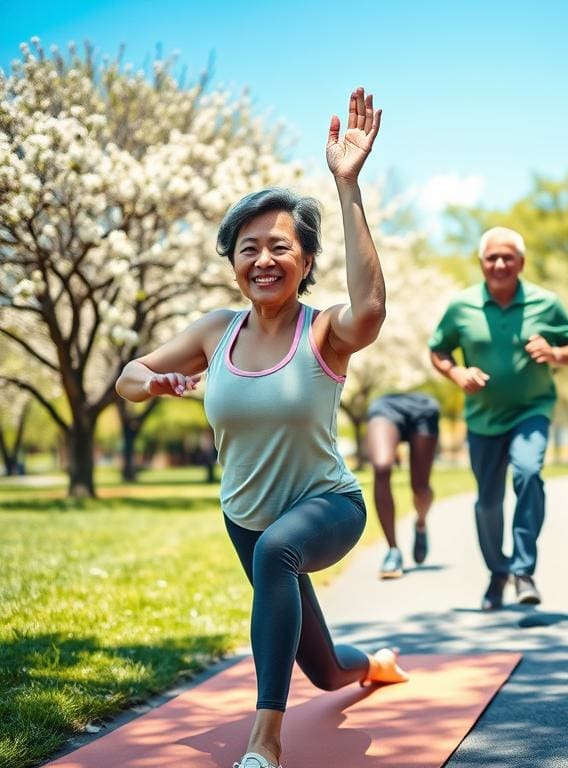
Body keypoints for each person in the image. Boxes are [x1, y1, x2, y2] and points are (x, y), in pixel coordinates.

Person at [116, 89, 406, 768]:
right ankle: (376, 665)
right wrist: (151, 382)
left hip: (327, 508)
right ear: (234, 264)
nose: (263, 260)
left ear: (305, 261)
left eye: (280, 247)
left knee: (279, 552)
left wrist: (347, 184)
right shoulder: (217, 331)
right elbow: (128, 376)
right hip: (245, 520)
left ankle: (263, 745)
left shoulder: (324, 331)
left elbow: (370, 308)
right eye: (249, 249)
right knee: (328, 670)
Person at [429, 226, 568, 610]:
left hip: (531, 409)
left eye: (508, 258)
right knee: (487, 501)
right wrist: (456, 374)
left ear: (521, 262)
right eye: (492, 258)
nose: (500, 264)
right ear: (482, 263)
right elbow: (439, 350)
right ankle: (497, 572)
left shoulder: (546, 303)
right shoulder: (461, 306)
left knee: (528, 473)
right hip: (482, 418)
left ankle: (523, 570)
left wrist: (555, 353)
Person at [366, 392, 440, 578]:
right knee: (381, 468)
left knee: (421, 488)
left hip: (423, 404)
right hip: (384, 403)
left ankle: (421, 524)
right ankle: (393, 550)